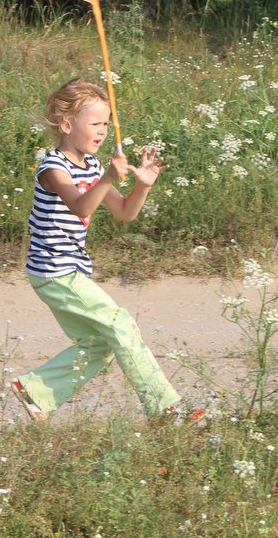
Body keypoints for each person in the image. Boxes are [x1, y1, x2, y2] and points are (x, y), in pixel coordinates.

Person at [11, 78, 203, 425]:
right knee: (121, 325)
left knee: (99, 344)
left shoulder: (94, 166)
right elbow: (81, 207)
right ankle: (164, 410)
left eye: (106, 124)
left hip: (67, 270)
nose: (102, 132)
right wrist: (109, 179)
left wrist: (142, 186)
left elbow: (125, 213)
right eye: (95, 123)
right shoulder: (53, 167)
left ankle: (34, 391)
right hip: (54, 270)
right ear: (67, 125)